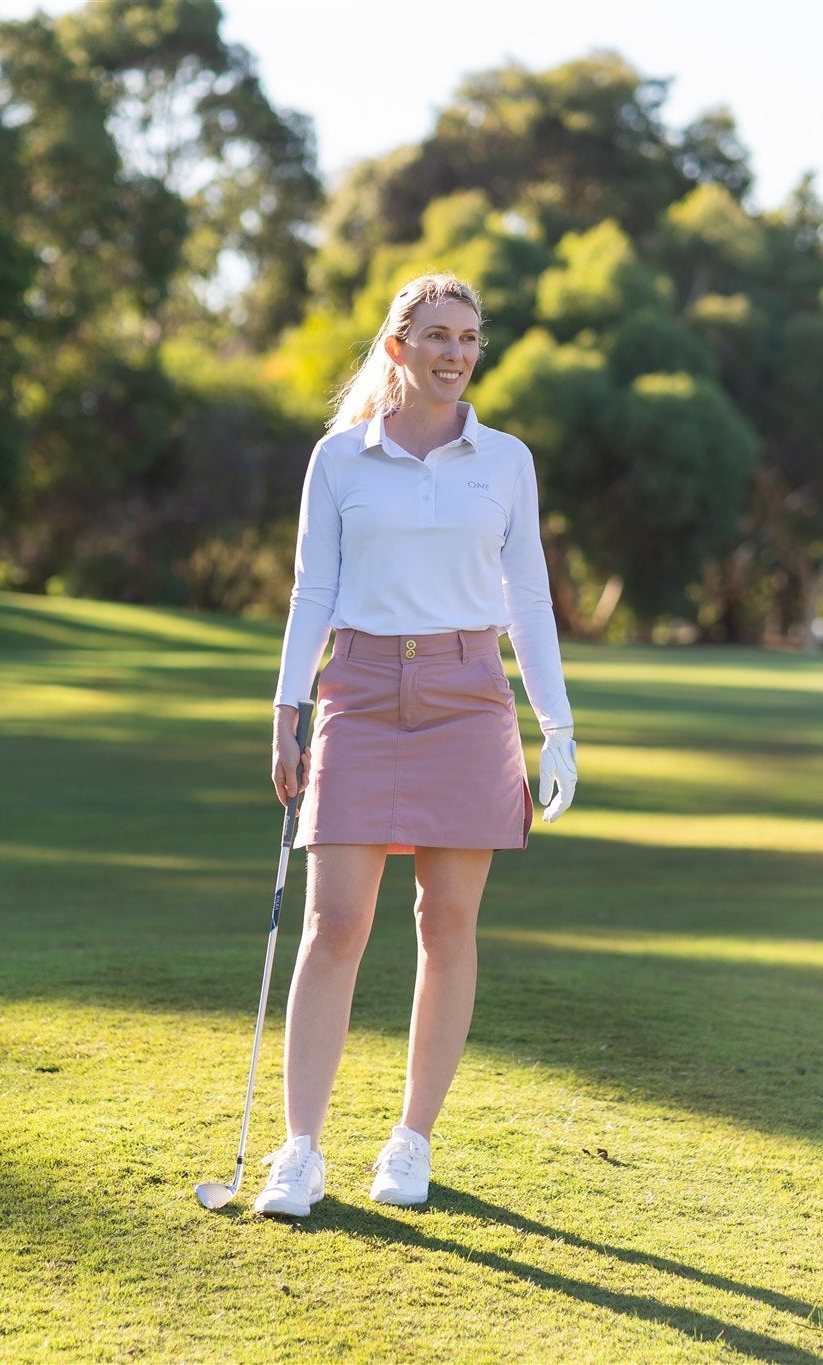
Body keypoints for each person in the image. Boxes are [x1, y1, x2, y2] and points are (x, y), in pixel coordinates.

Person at [256, 272, 577, 1217]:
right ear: (397, 348)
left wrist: (556, 725)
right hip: (356, 691)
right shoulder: (339, 460)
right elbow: (312, 587)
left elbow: (529, 598)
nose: (455, 352)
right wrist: (286, 705)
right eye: (435, 334)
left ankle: (410, 1141)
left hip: (469, 697)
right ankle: (300, 1150)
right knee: (334, 925)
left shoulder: (505, 459)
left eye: (470, 336)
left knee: (447, 925)